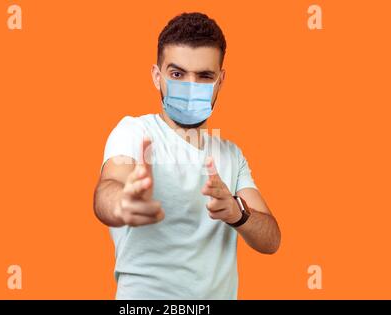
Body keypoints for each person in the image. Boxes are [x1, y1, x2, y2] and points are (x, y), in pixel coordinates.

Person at [93, 12, 281, 299]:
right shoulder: (134, 131)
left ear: (220, 80)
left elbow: (271, 240)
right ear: (158, 76)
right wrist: (123, 202)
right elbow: (109, 188)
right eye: (177, 74)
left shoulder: (231, 154)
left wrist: (237, 212)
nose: (191, 86)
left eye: (205, 76)